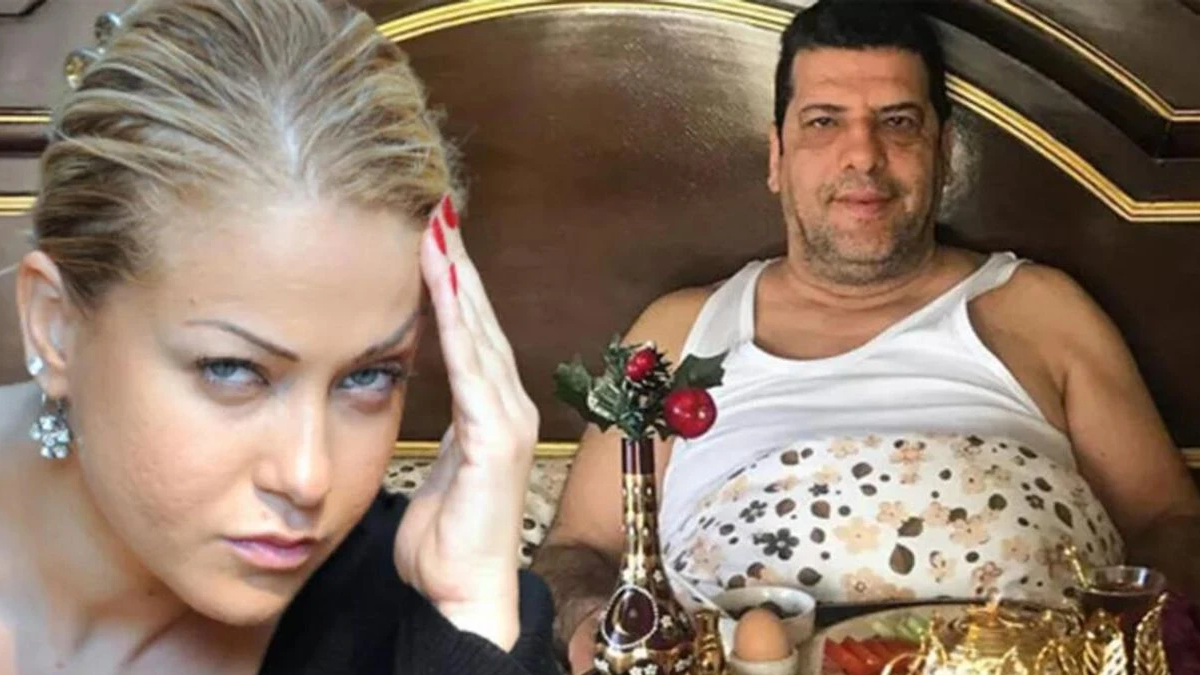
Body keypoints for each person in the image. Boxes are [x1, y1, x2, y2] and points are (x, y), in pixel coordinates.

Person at [531, 1, 1200, 671]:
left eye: (898, 122)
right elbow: (578, 546)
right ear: (778, 156)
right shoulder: (678, 332)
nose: (863, 155)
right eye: (824, 121)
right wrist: (590, 627)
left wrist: (1140, 644)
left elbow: (1170, 523)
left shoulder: (1040, 310)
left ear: (943, 154)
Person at [0, 1, 557, 673]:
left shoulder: (433, 612)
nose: (306, 477)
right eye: (232, 369)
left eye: (370, 376)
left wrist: (468, 620)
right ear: (55, 325)